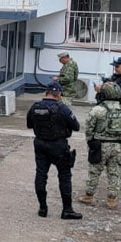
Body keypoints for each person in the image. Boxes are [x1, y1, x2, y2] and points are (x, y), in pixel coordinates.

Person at [26, 82, 83, 220]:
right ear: (59, 95)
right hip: (58, 145)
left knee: (41, 174)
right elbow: (76, 126)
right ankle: (67, 210)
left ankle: (43, 208)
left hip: (40, 143)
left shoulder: (35, 107)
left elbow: (29, 124)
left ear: (46, 93)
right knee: (64, 176)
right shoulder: (63, 108)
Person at [80, 82, 121, 209]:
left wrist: (90, 141)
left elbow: (89, 127)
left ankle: (89, 196)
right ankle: (111, 200)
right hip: (118, 146)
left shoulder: (97, 110)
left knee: (94, 171)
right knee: (114, 173)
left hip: (100, 145)